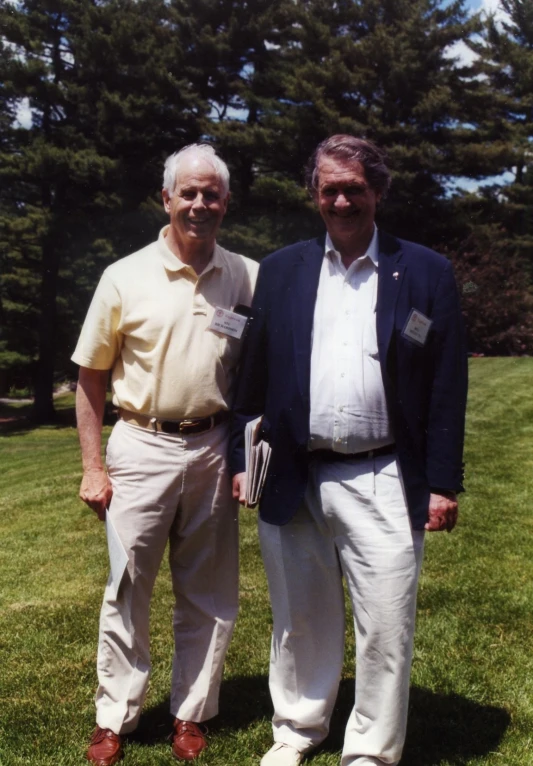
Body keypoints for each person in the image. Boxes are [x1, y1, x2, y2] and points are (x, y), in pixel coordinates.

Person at [229, 135, 467, 766]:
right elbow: (249, 379)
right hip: (293, 472)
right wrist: (238, 461)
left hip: (383, 472)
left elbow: (446, 387)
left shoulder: (424, 271)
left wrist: (442, 484)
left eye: (354, 188)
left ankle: (369, 751)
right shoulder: (281, 270)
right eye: (329, 188)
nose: (341, 200)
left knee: (386, 624)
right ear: (314, 195)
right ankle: (298, 731)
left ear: (378, 192)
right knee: (299, 619)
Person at [72, 143, 258, 765]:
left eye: (212, 194)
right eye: (189, 193)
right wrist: (93, 467)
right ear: (166, 199)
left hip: (212, 447)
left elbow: (264, 369)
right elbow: (91, 377)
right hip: (140, 445)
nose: (199, 204)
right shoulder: (124, 276)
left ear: (226, 202)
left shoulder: (246, 275)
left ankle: (190, 712)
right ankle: (114, 716)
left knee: (208, 591)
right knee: (128, 587)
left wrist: (246, 458)